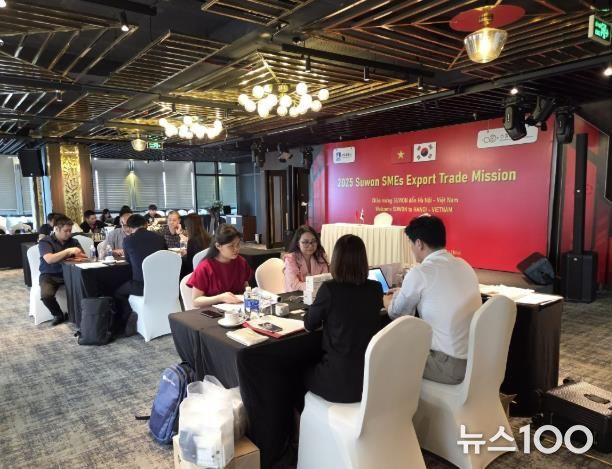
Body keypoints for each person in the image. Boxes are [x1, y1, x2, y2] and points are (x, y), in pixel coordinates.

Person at [384, 215, 481, 385]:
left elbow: (397, 313)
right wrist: (403, 291)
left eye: (411, 243)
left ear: (419, 243)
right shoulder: (464, 265)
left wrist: (387, 302)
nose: (411, 248)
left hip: (447, 365)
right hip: (476, 362)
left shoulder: (420, 272)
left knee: (387, 355)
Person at [303, 234, 384, 403]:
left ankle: (300, 418)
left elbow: (310, 324)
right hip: (369, 379)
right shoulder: (376, 288)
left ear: (336, 260)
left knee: (295, 372)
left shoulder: (329, 289)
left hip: (338, 382)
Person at [113, 214, 167, 336]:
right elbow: (165, 256)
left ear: (130, 227)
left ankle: (129, 316)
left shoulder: (128, 240)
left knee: (118, 292)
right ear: (146, 224)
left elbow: (128, 261)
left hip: (141, 286)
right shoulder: (159, 237)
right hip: (162, 284)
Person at [38, 215, 87, 325]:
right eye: (66, 231)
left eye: (70, 230)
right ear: (56, 229)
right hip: (50, 274)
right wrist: (68, 252)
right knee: (46, 295)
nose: (69, 233)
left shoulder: (73, 241)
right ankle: (58, 314)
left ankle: (79, 314)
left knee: (86, 287)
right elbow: (49, 259)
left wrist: (64, 256)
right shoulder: (45, 242)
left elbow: (83, 257)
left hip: (70, 273)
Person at [187, 225, 252, 307]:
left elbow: (246, 288)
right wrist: (220, 298)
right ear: (218, 246)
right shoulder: (205, 267)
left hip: (238, 310)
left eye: (238, 244)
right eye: (231, 246)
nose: (236, 249)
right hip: (213, 312)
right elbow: (195, 301)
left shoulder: (241, 262)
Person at [284, 225, 329, 292]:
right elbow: (294, 285)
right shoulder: (290, 259)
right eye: (305, 242)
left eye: (313, 241)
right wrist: (314, 286)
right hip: (296, 295)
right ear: (298, 243)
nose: (310, 246)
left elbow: (325, 279)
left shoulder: (321, 256)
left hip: (318, 294)